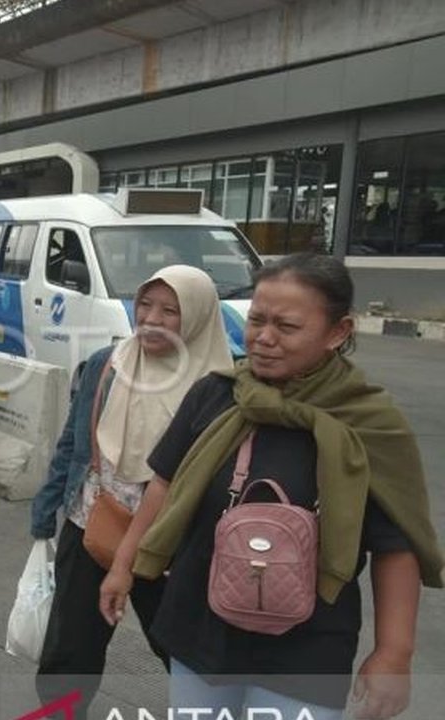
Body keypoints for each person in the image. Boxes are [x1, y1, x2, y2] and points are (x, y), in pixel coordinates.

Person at [101, 254, 443, 719]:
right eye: (257, 319)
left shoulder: (369, 424)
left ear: (338, 332)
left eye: (286, 326)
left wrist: (394, 654)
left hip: (307, 646)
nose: (263, 338)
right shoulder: (217, 394)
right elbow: (163, 486)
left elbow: (395, 544)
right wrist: (123, 566)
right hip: (201, 628)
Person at [30, 265, 233, 717]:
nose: (152, 319)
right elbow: (73, 439)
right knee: (70, 644)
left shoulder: (221, 389)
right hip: (93, 525)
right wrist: (46, 507)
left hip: (172, 547)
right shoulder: (109, 363)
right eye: (145, 305)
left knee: (182, 648)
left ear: (197, 318)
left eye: (170, 311)